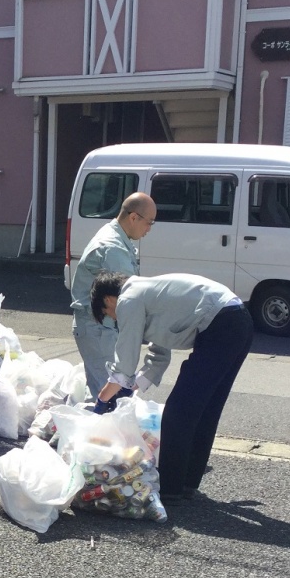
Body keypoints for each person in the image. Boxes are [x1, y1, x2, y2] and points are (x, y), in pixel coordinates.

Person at [92, 271, 254, 504]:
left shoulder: (128, 299)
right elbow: (159, 353)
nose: (115, 320)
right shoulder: (151, 294)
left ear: (108, 300)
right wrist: (133, 386)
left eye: (108, 314)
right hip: (238, 321)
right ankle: (187, 484)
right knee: (204, 410)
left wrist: (103, 399)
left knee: (178, 413)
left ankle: (170, 489)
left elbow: (125, 360)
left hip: (221, 324)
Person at [70, 192, 162, 397]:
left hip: (98, 327)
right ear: (133, 217)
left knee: (104, 392)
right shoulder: (113, 248)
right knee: (111, 396)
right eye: (149, 223)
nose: (149, 229)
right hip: (99, 329)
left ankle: (97, 426)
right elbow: (130, 297)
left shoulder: (114, 234)